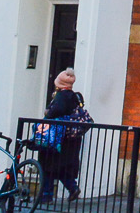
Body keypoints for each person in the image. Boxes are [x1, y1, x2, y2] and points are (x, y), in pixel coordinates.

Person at [35, 69, 88, 204]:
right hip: (70, 139)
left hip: (58, 138)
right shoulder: (74, 96)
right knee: (61, 167)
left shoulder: (62, 96)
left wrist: (48, 112)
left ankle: (46, 196)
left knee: (48, 166)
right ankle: (72, 187)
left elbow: (55, 112)